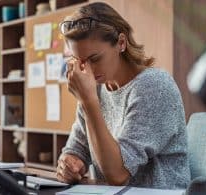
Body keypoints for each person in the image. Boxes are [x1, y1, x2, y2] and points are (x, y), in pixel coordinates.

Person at [56, 2, 190, 189]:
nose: (88, 70)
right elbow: (76, 149)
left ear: (121, 43)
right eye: (80, 62)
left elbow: (118, 174)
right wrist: (69, 164)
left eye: (95, 59)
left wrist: (88, 102)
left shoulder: (154, 86)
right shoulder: (95, 89)